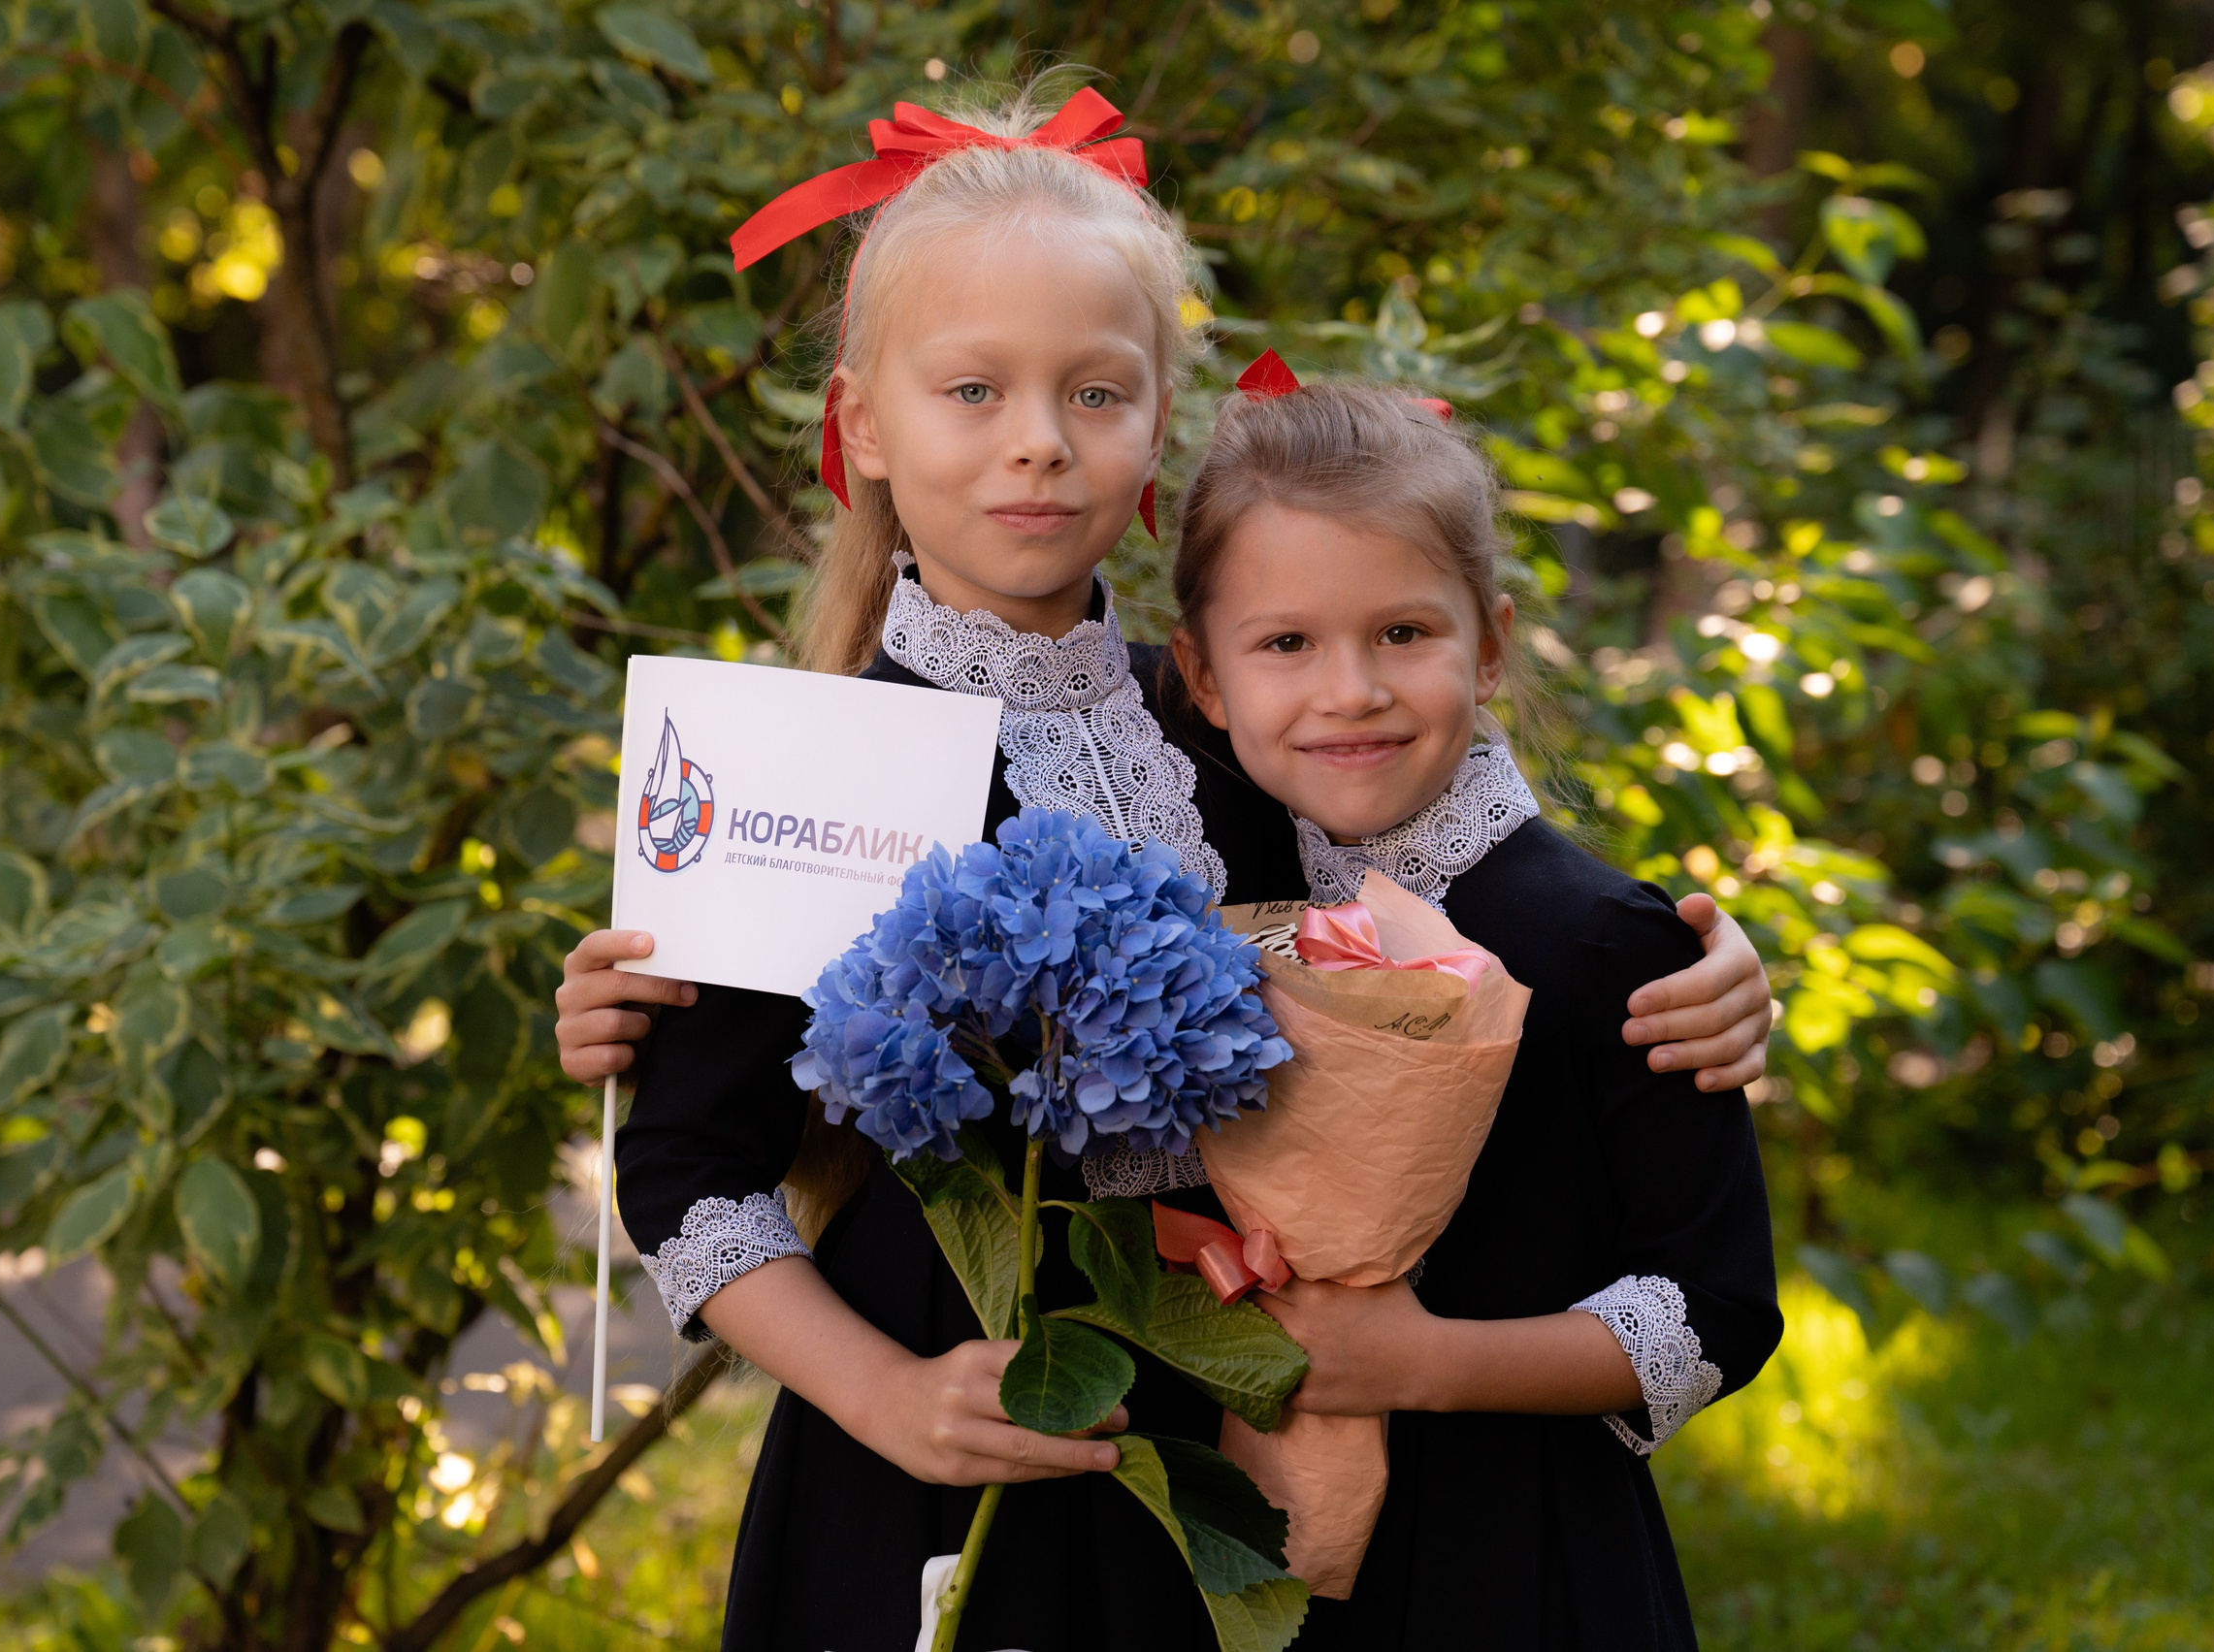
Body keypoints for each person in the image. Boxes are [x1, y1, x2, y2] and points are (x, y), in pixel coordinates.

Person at [562, 87, 1775, 1652]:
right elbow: (687, 1175)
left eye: (1095, 392)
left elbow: (1462, 906)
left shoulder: (1224, 718)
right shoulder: (797, 764)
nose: (1037, 442)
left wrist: (1717, 968)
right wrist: (890, 1399)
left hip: (1228, 1479)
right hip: (941, 1464)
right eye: (974, 390)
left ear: (1156, 425)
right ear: (864, 424)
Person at [1162, 371, 1782, 1649]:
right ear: (1204, 676)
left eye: (1403, 634)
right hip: (1278, 1560)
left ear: (1489, 645)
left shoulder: (1607, 944)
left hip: (1524, 1565)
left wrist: (1424, 1364)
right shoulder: (1219, 910)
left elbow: (1716, 1306)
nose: (1351, 692)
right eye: (1286, 643)